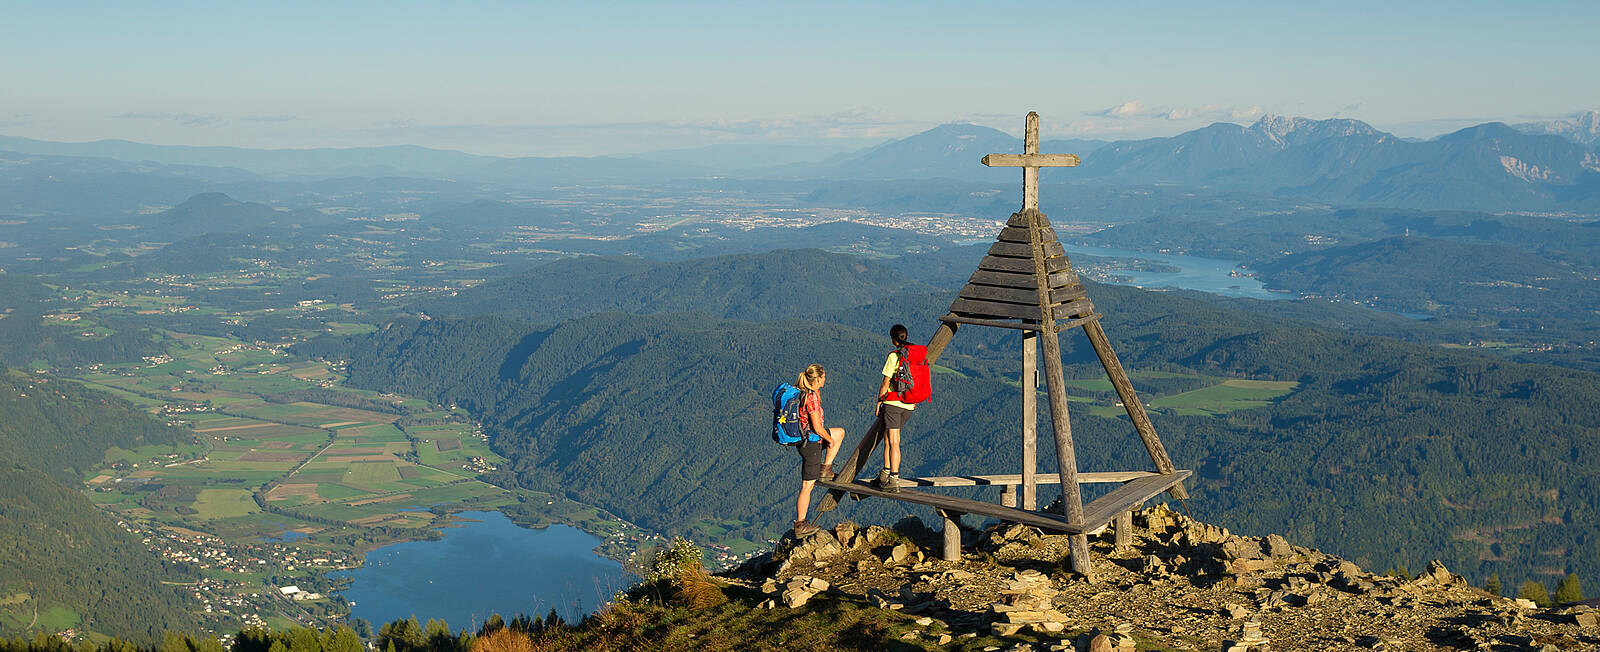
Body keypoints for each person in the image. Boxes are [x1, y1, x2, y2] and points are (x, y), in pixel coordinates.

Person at [792, 363, 844, 536]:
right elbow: (817, 427)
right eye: (824, 377)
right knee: (807, 486)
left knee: (840, 433)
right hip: (811, 444)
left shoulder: (802, 391)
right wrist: (829, 441)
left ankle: (826, 468)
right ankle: (800, 524)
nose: (825, 380)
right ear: (818, 379)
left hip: (806, 442)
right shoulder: (811, 397)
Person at [872, 324, 917, 493]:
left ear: (893, 339)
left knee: (894, 441)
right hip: (909, 404)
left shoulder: (894, 356)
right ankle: (885, 473)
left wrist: (878, 402)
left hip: (893, 404)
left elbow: (885, 383)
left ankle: (894, 479)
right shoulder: (914, 355)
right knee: (888, 437)